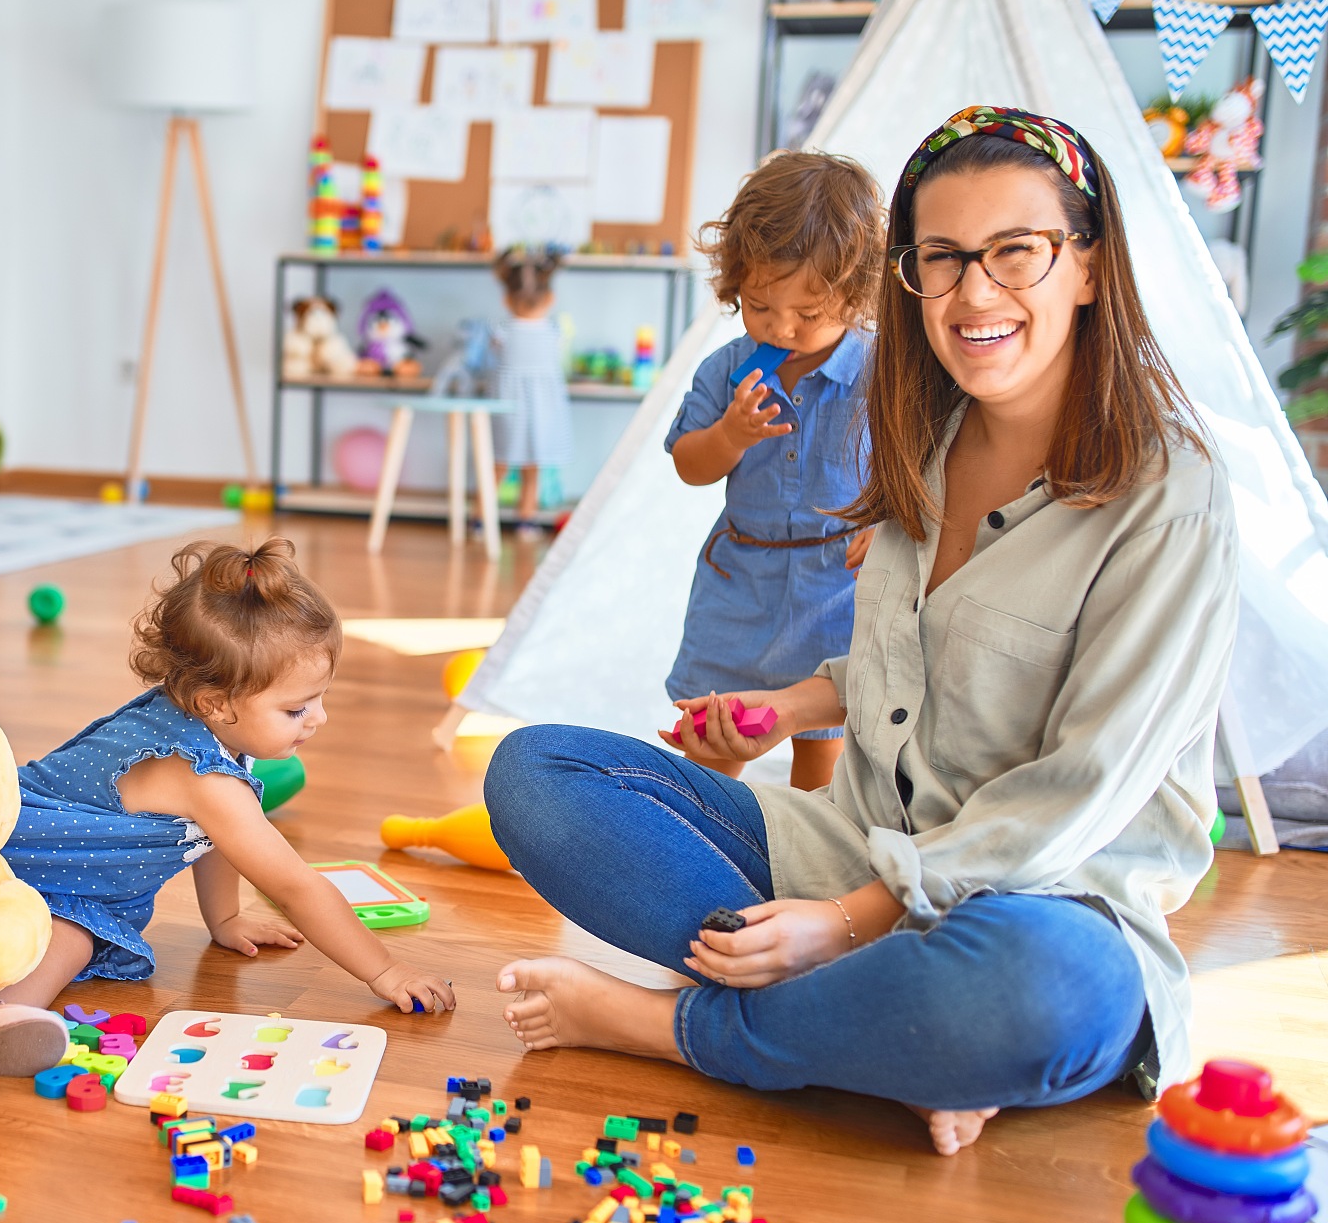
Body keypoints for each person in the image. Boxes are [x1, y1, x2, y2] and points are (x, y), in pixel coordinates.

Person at [485, 107, 1237, 1155]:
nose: (974, 291)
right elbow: (905, 661)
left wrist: (845, 921)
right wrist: (776, 713)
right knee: (534, 773)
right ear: (908, 278)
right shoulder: (914, 437)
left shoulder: (1169, 492)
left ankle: (679, 1027)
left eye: (1014, 252)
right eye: (940, 259)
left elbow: (1083, 786)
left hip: (1046, 899)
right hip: (848, 846)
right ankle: (886, 1035)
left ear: (1088, 265)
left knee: (1035, 990)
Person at [0, 539, 456, 1074]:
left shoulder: (215, 741)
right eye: (299, 707)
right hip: (20, 835)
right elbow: (297, 886)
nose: (319, 720)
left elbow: (217, 841)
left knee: (73, 936)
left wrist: (228, 918)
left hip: (79, 889)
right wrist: (385, 972)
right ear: (216, 703)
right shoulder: (205, 779)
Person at [665, 151, 887, 790]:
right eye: (761, 306)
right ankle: (698, 845)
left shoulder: (883, 375)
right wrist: (729, 435)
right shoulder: (725, 371)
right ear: (738, 284)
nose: (782, 327)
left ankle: (808, 871)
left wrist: (891, 516)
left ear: (858, 293)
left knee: (824, 754)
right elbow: (689, 466)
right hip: (740, 583)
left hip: (836, 590)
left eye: (809, 314)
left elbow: (921, 465)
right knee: (711, 744)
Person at [491, 245, 572, 536]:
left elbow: (492, 354)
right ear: (550, 298)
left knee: (498, 463)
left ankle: (481, 517)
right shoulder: (554, 333)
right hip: (542, 411)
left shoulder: (502, 332)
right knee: (532, 465)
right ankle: (526, 518)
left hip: (509, 409)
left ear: (506, 299)